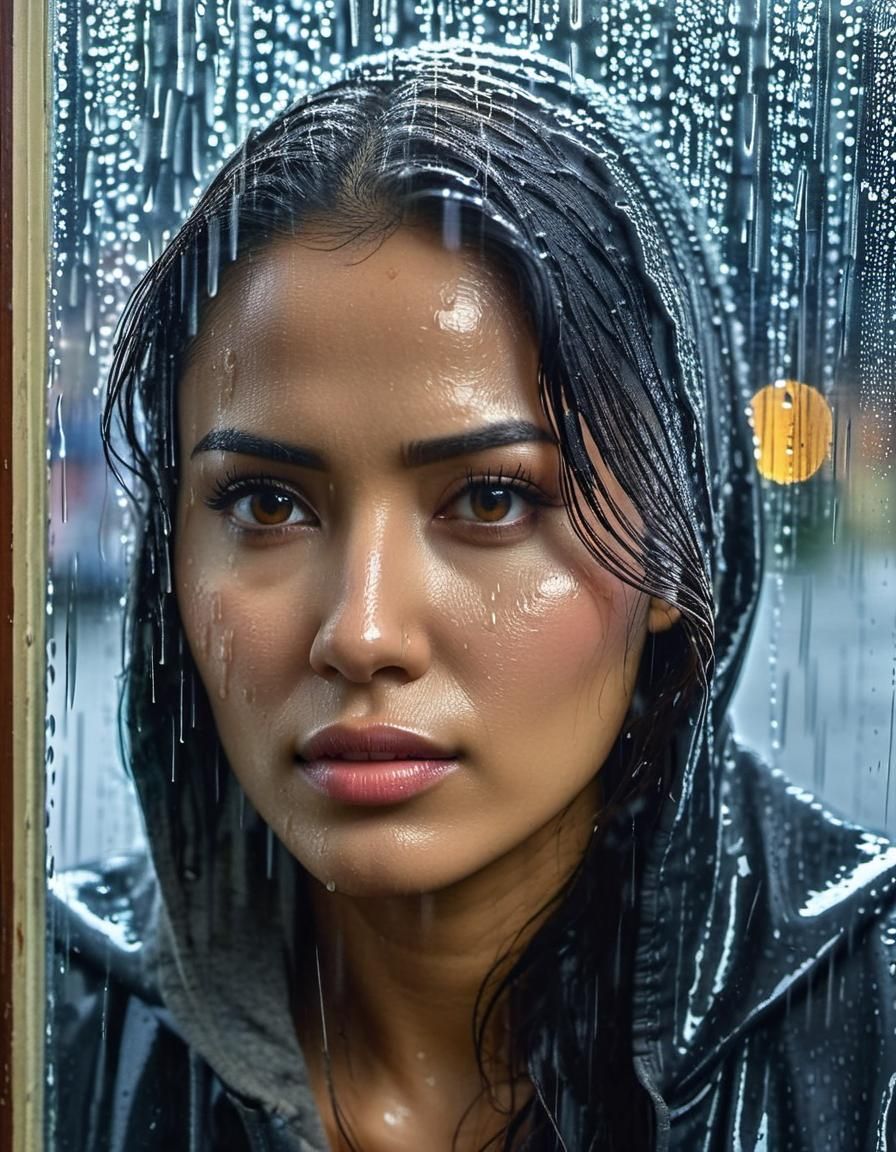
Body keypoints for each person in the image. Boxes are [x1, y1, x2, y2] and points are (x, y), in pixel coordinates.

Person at [50, 42, 896, 1152]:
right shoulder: (50, 1023)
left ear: (674, 542)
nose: (360, 633)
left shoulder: (870, 1030)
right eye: (264, 505)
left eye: (490, 500)